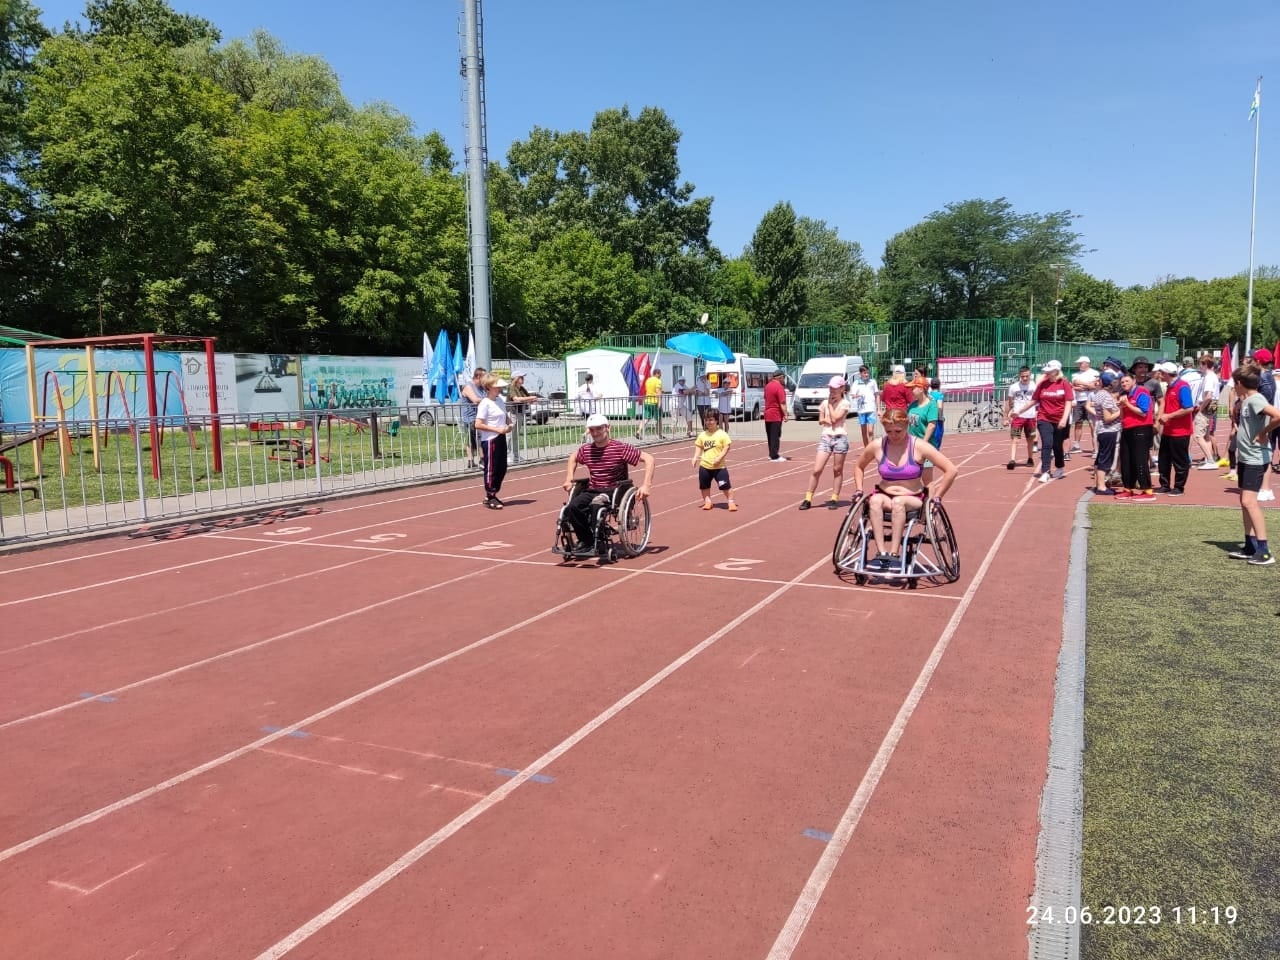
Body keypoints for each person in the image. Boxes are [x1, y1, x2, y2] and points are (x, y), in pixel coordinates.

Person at [852, 408, 958, 572]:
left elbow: (951, 470)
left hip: (912, 497)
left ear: (907, 426)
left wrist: (937, 497)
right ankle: (881, 552)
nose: (893, 435)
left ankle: (894, 553)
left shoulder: (919, 446)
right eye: (889, 431)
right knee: (874, 500)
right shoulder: (878, 445)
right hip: (884, 493)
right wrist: (859, 489)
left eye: (898, 431)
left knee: (899, 502)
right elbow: (859, 466)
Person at [561, 413, 654, 557]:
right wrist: (569, 478)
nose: (596, 433)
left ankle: (597, 542)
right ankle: (586, 540)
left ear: (608, 428)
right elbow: (573, 457)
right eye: (592, 430)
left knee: (596, 504)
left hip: (613, 490)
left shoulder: (620, 448)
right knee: (572, 507)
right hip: (593, 489)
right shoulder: (587, 450)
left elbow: (649, 459)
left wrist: (646, 485)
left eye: (599, 428)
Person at [1227, 364, 1280, 564]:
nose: (1234, 387)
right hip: (1247, 457)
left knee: (1249, 502)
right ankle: (1250, 545)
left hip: (1255, 459)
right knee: (1244, 502)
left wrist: (1263, 433)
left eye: (1234, 383)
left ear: (1240, 383)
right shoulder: (1247, 400)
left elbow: (1278, 415)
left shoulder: (1256, 399)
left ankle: (1264, 550)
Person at [1012, 360, 1071, 482]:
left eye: (1049, 371)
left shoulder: (1064, 384)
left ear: (1056, 371)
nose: (1046, 374)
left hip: (1060, 420)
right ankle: (1045, 471)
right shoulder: (1042, 384)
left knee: (1057, 445)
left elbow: (1068, 402)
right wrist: (1019, 411)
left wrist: (1064, 419)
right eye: (1046, 372)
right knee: (1047, 444)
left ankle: (1059, 466)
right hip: (1044, 419)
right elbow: (1033, 401)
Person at [799, 376, 852, 510]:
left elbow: (835, 418)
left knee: (837, 470)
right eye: (830, 388)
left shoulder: (844, 403)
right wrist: (823, 420)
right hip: (826, 437)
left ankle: (834, 497)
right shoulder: (823, 403)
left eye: (835, 388)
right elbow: (820, 419)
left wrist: (830, 405)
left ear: (842, 389)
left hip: (840, 437)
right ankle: (808, 498)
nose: (832, 390)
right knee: (817, 469)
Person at [1153, 360, 1194, 496]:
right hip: (1169, 430)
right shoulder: (1171, 386)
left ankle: (1179, 487)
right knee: (1164, 459)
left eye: (1161, 373)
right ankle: (1164, 485)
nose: (1159, 375)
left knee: (1180, 461)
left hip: (1180, 431)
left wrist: (1168, 416)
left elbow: (1188, 408)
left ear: (1166, 374)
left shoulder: (1182, 386)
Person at [1115, 371, 1156, 502]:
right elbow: (1122, 417)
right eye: (1122, 382)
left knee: (1140, 460)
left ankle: (1147, 490)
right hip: (1127, 429)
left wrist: (1127, 404)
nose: (1124, 384)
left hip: (1141, 429)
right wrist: (1122, 406)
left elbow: (1143, 413)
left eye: (1126, 381)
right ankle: (1128, 488)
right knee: (1126, 459)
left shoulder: (1142, 392)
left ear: (1133, 381)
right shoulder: (1124, 395)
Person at [475, 375, 513, 508]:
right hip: (490, 439)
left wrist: (509, 424)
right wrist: (496, 429)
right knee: (492, 468)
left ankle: (493, 493)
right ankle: (490, 494)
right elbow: (478, 424)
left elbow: (505, 416)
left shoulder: (500, 401)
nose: (500, 388)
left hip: (500, 437)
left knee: (502, 467)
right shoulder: (485, 403)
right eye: (497, 386)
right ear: (489, 387)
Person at [691, 408, 737, 511]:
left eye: (711, 420)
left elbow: (727, 447)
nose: (709, 422)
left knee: (725, 486)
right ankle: (707, 502)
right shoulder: (703, 435)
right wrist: (695, 457)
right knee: (704, 486)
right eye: (707, 420)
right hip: (705, 466)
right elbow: (699, 446)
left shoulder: (722, 434)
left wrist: (719, 457)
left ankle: (731, 502)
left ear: (716, 420)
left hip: (719, 467)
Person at [1085, 371, 1121, 494]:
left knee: (1101, 457)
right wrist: (1121, 411)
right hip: (1108, 430)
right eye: (1115, 381)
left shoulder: (1100, 394)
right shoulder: (1105, 396)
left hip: (1103, 430)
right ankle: (1101, 486)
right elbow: (1107, 418)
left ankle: (1098, 483)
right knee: (1105, 458)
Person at [1252, 347, 1276, 502]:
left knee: (1263, 452)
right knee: (1262, 452)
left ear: (1259, 361)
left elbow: (1265, 398)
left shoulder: (1264, 377)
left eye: (1254, 359)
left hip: (1264, 419)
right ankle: (1263, 487)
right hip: (1264, 417)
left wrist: (1258, 412)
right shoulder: (1266, 376)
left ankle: (1266, 488)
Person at [1191, 355, 1222, 469]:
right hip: (1213, 404)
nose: (1199, 366)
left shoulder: (1209, 377)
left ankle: (1210, 460)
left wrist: (1201, 407)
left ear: (1205, 364)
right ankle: (1209, 458)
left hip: (1208, 404)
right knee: (1207, 435)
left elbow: (1208, 395)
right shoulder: (1213, 376)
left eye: (1200, 364)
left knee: (1198, 435)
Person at [907, 380, 940, 486]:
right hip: (911, 445)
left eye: (913, 388)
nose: (911, 390)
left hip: (925, 446)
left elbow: (932, 425)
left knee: (927, 479)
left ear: (921, 389)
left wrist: (923, 444)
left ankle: (930, 501)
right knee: (911, 477)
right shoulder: (912, 405)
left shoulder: (931, 405)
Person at [1004, 366, 1037, 469]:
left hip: (1030, 417)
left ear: (1030, 375)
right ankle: (1012, 459)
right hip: (1017, 417)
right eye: (1023, 376)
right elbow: (1009, 403)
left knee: (1030, 439)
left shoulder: (1034, 386)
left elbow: (1038, 401)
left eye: (1027, 376)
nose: (1025, 378)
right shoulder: (1014, 387)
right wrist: (1005, 417)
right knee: (1015, 439)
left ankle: (1030, 458)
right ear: (1019, 376)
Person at [505, 372, 540, 463]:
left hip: (520, 412)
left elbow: (527, 398)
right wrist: (530, 398)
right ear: (516, 378)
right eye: (521, 377)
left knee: (515, 435)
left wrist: (532, 399)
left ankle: (516, 456)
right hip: (512, 412)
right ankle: (507, 455)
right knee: (509, 435)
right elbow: (516, 399)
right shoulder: (511, 387)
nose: (523, 378)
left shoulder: (522, 388)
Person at [459, 366, 486, 469]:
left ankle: (482, 459)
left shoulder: (482, 388)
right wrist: (487, 400)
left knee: (479, 438)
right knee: (472, 439)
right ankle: (472, 460)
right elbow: (475, 399)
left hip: (479, 417)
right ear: (478, 376)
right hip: (470, 418)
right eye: (484, 377)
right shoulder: (468, 387)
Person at [1070, 356, 1096, 454]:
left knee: (1092, 423)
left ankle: (1095, 447)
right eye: (1079, 363)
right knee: (1078, 422)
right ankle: (1076, 446)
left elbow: (1094, 385)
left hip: (1091, 401)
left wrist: (1083, 386)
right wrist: (1087, 385)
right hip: (1078, 400)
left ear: (1087, 363)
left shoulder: (1095, 373)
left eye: (1081, 363)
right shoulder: (1075, 374)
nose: (1079, 365)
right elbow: (1075, 383)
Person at [763, 369, 789, 461]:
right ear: (780, 377)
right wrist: (785, 414)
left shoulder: (767, 386)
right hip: (775, 414)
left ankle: (771, 453)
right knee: (775, 435)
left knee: (770, 435)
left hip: (767, 413)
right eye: (783, 377)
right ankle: (774, 455)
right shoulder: (779, 387)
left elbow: (766, 398)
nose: (784, 379)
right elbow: (782, 402)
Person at [850, 365, 879, 446]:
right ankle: (866, 449)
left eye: (867, 373)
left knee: (870, 431)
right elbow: (852, 395)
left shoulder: (872, 382)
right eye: (864, 373)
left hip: (871, 409)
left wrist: (878, 409)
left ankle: (871, 448)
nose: (866, 374)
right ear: (860, 373)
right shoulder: (856, 383)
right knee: (864, 432)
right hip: (861, 410)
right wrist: (858, 395)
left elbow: (877, 395)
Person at [639, 366, 664, 440]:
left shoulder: (648, 380)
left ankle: (638, 431)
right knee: (658, 419)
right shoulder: (658, 381)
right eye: (660, 374)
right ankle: (659, 434)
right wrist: (659, 402)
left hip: (647, 401)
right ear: (657, 374)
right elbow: (658, 392)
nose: (661, 375)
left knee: (646, 418)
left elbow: (650, 390)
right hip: (654, 402)